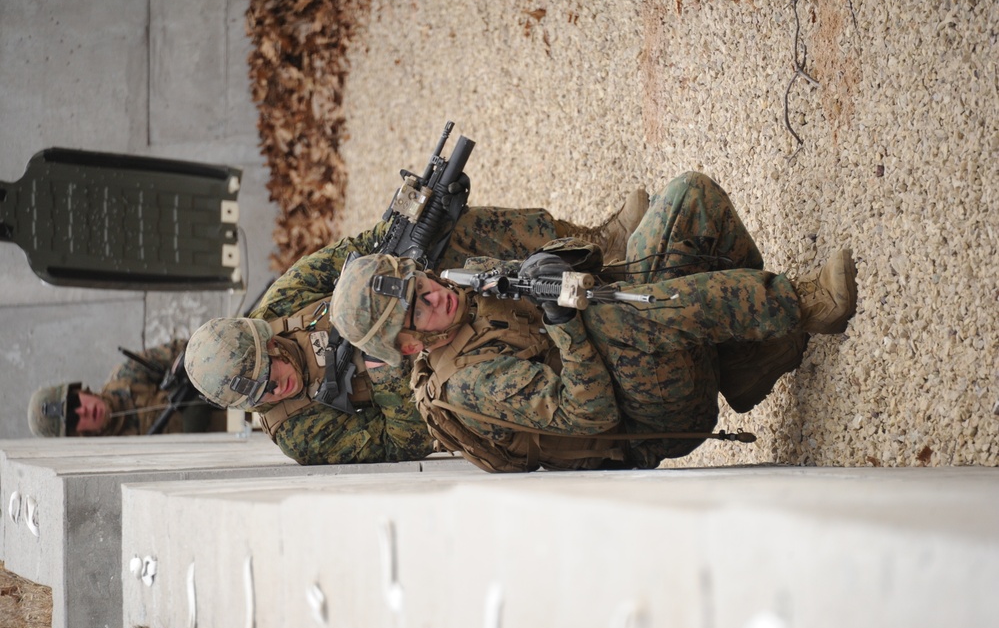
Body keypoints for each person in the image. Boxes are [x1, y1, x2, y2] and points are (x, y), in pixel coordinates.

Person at [328, 171, 857, 471]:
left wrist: (553, 266)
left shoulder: (464, 285)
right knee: (613, 318)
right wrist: (566, 322)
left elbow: (592, 271)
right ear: (409, 344)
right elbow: (591, 416)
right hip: (648, 426)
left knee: (688, 200)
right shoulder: (468, 383)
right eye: (416, 311)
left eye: (422, 287)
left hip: (638, 359)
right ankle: (806, 306)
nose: (433, 299)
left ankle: (748, 362)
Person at [183, 200, 650, 465]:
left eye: (270, 369)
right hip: (429, 382)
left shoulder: (282, 304)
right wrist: (385, 376)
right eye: (261, 393)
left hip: (416, 311)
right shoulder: (299, 433)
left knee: (461, 229)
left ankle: (597, 251)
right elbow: (400, 446)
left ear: (265, 339)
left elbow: (354, 255)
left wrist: (410, 226)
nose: (275, 386)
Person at [27, 339, 224, 438]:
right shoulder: (113, 458)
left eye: (74, 403)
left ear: (81, 392)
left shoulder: (127, 376)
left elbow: (184, 349)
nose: (82, 411)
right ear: (76, 434)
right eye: (72, 418)